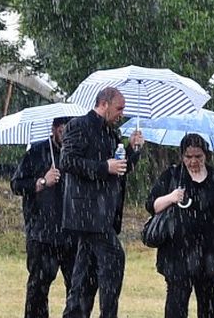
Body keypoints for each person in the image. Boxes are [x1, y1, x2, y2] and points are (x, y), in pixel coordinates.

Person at [60, 87, 144, 318]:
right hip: (86, 212)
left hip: (105, 213)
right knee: (114, 259)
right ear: (104, 104)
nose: (121, 114)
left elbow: (120, 169)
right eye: (119, 108)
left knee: (85, 274)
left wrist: (133, 149)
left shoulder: (111, 133)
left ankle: (75, 314)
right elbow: (67, 161)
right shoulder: (78, 125)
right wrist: (103, 167)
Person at [147, 133, 214, 318]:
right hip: (177, 253)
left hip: (212, 253)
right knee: (176, 306)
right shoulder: (172, 175)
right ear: (182, 156)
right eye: (188, 156)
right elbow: (151, 206)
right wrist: (171, 197)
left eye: (198, 156)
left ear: (206, 155)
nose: (193, 161)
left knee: (209, 307)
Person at [12, 117, 95, 318]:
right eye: (62, 130)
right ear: (54, 129)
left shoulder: (78, 154)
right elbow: (16, 185)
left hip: (72, 232)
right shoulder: (37, 152)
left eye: (70, 131)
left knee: (77, 289)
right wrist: (42, 182)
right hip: (42, 233)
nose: (66, 135)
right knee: (38, 290)